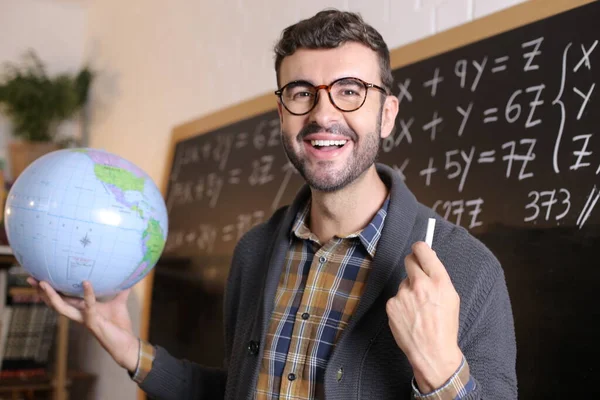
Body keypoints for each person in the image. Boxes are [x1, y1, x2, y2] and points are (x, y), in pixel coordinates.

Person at [28, 9, 517, 400]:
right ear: (282, 114)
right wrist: (128, 348)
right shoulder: (255, 251)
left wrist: (440, 372)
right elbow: (237, 389)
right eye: (302, 93)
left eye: (350, 91)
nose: (323, 113)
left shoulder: (467, 270)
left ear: (387, 115)